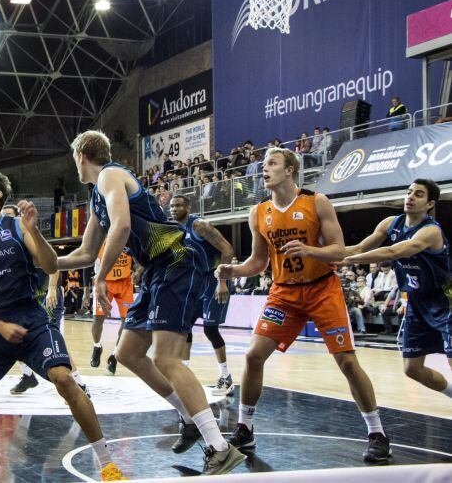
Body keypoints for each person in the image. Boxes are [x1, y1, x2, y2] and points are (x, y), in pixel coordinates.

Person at [58, 130, 244, 475]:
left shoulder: (110, 175)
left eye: (74, 159)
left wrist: (101, 277)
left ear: (81, 156)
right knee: (128, 353)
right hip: (158, 270)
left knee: (165, 357)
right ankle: (189, 419)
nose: (76, 166)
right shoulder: (96, 198)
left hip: (176, 260)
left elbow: (123, 226)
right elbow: (85, 253)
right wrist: (46, 261)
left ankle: (220, 447)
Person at [0, 171, 125, 481]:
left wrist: (35, 231)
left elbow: (51, 266)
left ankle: (107, 464)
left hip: (30, 322)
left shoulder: (16, 227)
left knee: (65, 380)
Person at [215, 147, 391, 463]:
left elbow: (339, 252)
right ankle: (246, 428)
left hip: (323, 289)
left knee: (348, 363)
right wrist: (233, 270)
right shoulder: (259, 213)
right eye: (263, 164)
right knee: (254, 355)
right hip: (284, 293)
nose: (264, 169)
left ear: (290, 170)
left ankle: (377, 433)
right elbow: (258, 263)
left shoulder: (316, 202)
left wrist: (310, 251)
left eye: (271, 164)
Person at [343, 179, 452, 400]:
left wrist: (346, 260)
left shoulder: (431, 231)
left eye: (418, 194)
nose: (410, 197)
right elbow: (359, 247)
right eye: (409, 192)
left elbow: (393, 252)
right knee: (412, 369)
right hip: (417, 302)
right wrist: (319, 254)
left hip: (445, 301)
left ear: (430, 203)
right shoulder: (391, 223)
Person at [1, 204, 88, 396]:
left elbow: (54, 265)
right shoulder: (4, 246)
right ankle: (28, 376)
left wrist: (51, 289)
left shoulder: (29, 238)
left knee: (53, 341)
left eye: (8, 216)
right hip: (28, 301)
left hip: (47, 296)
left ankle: (79, 384)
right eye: (2, 216)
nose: (4, 220)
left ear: (17, 219)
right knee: (13, 338)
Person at [169, 195, 235, 394]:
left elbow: (228, 249)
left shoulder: (199, 225)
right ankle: (185, 375)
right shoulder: (175, 229)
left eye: (179, 205)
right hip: (195, 282)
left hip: (215, 278)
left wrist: (222, 281)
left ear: (188, 207)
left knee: (210, 330)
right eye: (171, 205)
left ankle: (226, 377)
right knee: (184, 326)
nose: (174, 208)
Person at [89, 242, 133, 375]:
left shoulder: (131, 238)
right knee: (98, 320)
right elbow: (88, 266)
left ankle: (114, 356)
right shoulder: (99, 241)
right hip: (104, 283)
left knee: (127, 323)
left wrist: (138, 271)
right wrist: (86, 291)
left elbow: (140, 260)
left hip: (125, 283)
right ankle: (97, 346)